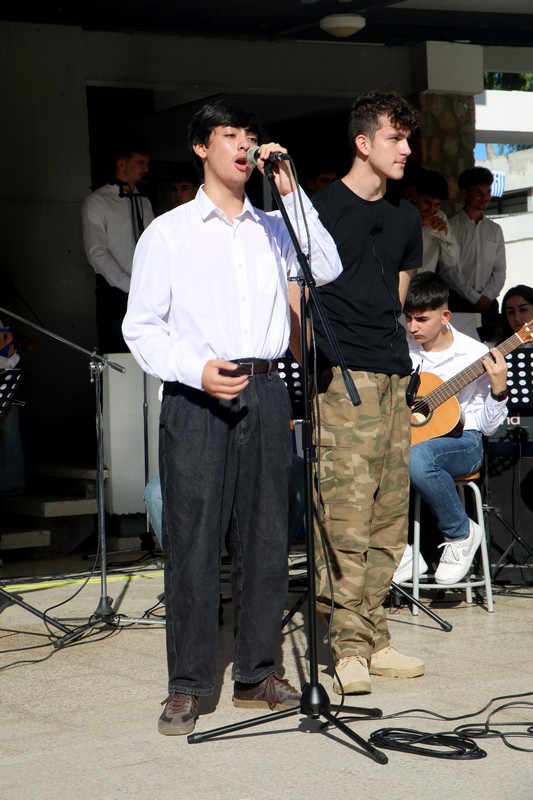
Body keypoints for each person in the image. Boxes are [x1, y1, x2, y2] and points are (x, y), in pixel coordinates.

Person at [122, 98, 342, 736]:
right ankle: (188, 685)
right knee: (194, 541)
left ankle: (256, 673)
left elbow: (326, 267)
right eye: (230, 135)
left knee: (267, 537)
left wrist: (291, 191)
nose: (244, 147)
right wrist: (194, 370)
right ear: (201, 147)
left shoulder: (275, 227)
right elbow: (142, 327)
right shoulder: (169, 232)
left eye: (251, 136)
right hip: (197, 395)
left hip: (267, 388)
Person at [311, 90, 424, 696]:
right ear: (363, 143)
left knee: (388, 517)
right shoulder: (320, 209)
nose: (405, 150)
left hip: (393, 375)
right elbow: (299, 297)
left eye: (408, 139)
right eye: (394, 139)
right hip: (341, 378)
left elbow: (396, 299)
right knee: (345, 517)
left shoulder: (406, 217)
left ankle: (374, 634)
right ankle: (347, 645)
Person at [405, 272, 509, 583]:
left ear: (445, 316)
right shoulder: (401, 348)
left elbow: (487, 428)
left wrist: (498, 389)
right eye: (408, 318)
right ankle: (400, 550)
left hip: (464, 442)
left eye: (421, 319)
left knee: (420, 457)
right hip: (411, 437)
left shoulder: (474, 354)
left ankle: (460, 532)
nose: (412, 327)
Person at [81, 134, 154, 353]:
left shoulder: (144, 201)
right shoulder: (97, 201)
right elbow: (96, 252)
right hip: (115, 296)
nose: (146, 169)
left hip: (147, 294)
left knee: (149, 356)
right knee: (118, 358)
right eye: (141, 163)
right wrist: (129, 286)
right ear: (122, 164)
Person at [440, 167, 506, 341]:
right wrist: (474, 297)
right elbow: (448, 269)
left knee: (490, 347)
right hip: (458, 302)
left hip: (488, 304)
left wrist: (487, 296)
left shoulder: (495, 230)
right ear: (464, 193)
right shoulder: (451, 227)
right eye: (478, 192)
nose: (484, 197)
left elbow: (500, 270)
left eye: (487, 192)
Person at [411, 168, 459, 274]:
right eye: (427, 203)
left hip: (425, 283)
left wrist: (445, 235)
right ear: (415, 196)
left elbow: (452, 262)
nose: (431, 210)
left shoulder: (440, 217)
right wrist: (415, 228)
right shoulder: (399, 214)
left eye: (437, 204)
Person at [0, 320, 25, 494]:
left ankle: (11, 482)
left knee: (10, 430)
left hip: (3, 380)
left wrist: (9, 355)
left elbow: (7, 354)